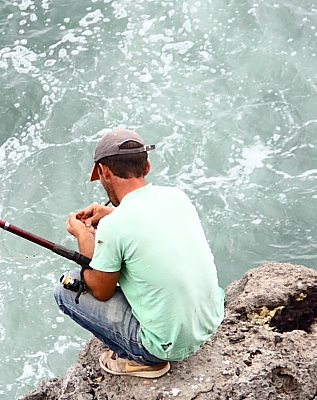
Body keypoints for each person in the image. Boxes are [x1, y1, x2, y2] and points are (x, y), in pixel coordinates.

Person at [55, 127, 223, 378]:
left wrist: (84, 236)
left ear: (104, 171)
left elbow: (100, 290)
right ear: (147, 166)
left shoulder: (114, 227)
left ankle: (142, 361)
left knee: (66, 289)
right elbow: (149, 222)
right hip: (209, 322)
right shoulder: (176, 197)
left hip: (166, 346)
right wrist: (111, 213)